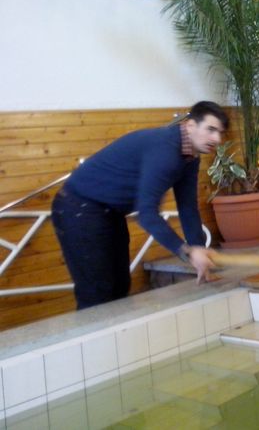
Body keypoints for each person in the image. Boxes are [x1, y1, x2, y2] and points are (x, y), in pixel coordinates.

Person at [51, 101, 227, 309]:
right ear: (190, 126)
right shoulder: (165, 151)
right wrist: (188, 252)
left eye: (220, 132)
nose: (217, 139)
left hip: (109, 212)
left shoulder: (190, 156)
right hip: (78, 208)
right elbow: (147, 214)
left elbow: (187, 207)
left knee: (119, 286)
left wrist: (199, 249)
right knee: (97, 294)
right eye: (210, 129)